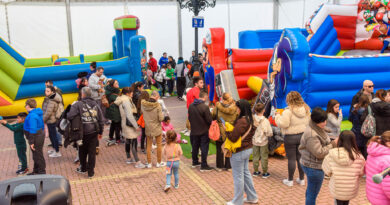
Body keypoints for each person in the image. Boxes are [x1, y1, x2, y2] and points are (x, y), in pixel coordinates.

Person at [299, 107, 337, 205]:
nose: (325, 123)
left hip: (311, 164)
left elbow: (322, 130)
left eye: (325, 121)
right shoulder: (311, 135)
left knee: (311, 191)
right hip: (314, 166)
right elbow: (319, 153)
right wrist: (332, 144)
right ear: (315, 121)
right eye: (322, 122)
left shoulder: (315, 126)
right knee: (312, 194)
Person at [226, 99, 258, 205]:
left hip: (239, 151)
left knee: (238, 176)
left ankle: (237, 201)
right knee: (245, 173)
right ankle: (252, 197)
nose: (236, 109)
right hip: (247, 149)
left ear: (242, 108)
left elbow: (233, 138)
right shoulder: (250, 119)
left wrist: (227, 131)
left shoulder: (242, 121)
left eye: (237, 107)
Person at [275, 91, 310, 186]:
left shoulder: (288, 111)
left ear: (289, 100)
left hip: (290, 137)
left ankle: (290, 180)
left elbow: (283, 124)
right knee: (300, 158)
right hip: (302, 136)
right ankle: (302, 179)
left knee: (291, 159)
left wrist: (277, 116)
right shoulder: (306, 109)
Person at [67, 87, 104, 178]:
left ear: (83, 94)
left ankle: (83, 168)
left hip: (82, 132)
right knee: (92, 153)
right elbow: (101, 119)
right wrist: (101, 132)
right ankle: (91, 172)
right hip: (94, 131)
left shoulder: (78, 104)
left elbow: (70, 115)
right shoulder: (96, 104)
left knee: (82, 151)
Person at [322, 130, 365, 205]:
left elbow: (327, 171)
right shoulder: (359, 157)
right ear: (353, 141)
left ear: (340, 140)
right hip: (351, 188)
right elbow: (361, 173)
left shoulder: (331, 155)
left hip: (337, 187)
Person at [115, 87, 145, 168]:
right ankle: (137, 161)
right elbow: (129, 115)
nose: (133, 93)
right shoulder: (126, 101)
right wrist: (136, 126)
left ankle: (128, 158)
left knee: (128, 141)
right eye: (131, 92)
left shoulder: (121, 99)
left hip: (124, 123)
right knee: (133, 142)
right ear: (128, 93)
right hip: (129, 124)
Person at [211, 93, 237, 171]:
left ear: (222, 98)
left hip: (220, 129)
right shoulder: (234, 107)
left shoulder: (218, 107)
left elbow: (213, 115)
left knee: (219, 148)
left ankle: (220, 166)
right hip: (230, 129)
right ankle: (228, 166)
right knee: (228, 147)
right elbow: (237, 117)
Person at [188, 91, 213, 171]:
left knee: (195, 146)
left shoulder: (191, 106)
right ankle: (204, 164)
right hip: (203, 130)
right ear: (205, 97)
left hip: (194, 130)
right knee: (204, 147)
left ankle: (195, 162)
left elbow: (189, 117)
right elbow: (209, 120)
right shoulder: (204, 107)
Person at [141, 91, 165, 168]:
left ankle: (149, 163)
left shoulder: (143, 105)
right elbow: (161, 118)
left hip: (148, 127)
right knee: (159, 145)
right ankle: (159, 162)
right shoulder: (157, 106)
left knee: (148, 145)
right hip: (157, 127)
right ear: (156, 96)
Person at [365, 131, 390, 205]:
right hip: (383, 199)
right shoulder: (387, 159)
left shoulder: (373, 153)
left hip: (373, 194)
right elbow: (388, 185)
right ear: (388, 143)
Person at [24, 98, 46, 175]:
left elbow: (32, 129)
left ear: (28, 106)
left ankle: (42, 172)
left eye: (25, 106)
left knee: (38, 155)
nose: (25, 107)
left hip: (36, 136)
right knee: (36, 155)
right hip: (39, 135)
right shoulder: (37, 112)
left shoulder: (32, 115)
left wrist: (31, 142)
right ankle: (36, 170)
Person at [252, 103, 273, 178]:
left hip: (254, 141)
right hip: (263, 141)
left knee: (255, 156)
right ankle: (265, 172)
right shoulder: (266, 121)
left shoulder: (252, 119)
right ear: (264, 110)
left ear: (255, 110)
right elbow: (270, 132)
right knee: (264, 157)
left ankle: (256, 171)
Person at [42, 86, 62, 157]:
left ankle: (57, 151)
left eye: (48, 91)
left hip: (51, 120)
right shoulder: (49, 98)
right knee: (51, 136)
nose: (46, 92)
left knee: (54, 136)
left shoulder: (52, 100)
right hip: (49, 120)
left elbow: (48, 113)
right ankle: (54, 149)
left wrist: (43, 120)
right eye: (45, 91)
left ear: (52, 92)